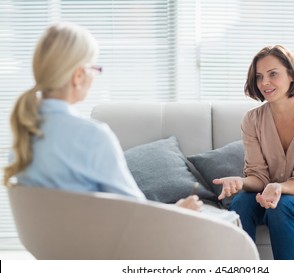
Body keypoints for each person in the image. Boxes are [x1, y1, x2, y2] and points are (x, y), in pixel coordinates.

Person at [3, 22, 202, 211]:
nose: (95, 76)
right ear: (78, 76)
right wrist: (179, 212)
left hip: (48, 247)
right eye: (94, 68)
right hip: (96, 246)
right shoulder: (92, 137)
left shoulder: (23, 138)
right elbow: (135, 215)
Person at [213, 45, 294, 259]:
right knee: (240, 202)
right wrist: (241, 182)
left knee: (282, 206)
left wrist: (277, 187)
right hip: (272, 197)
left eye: (273, 74)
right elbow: (259, 177)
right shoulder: (252, 120)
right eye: (259, 77)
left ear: (291, 75)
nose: (264, 83)